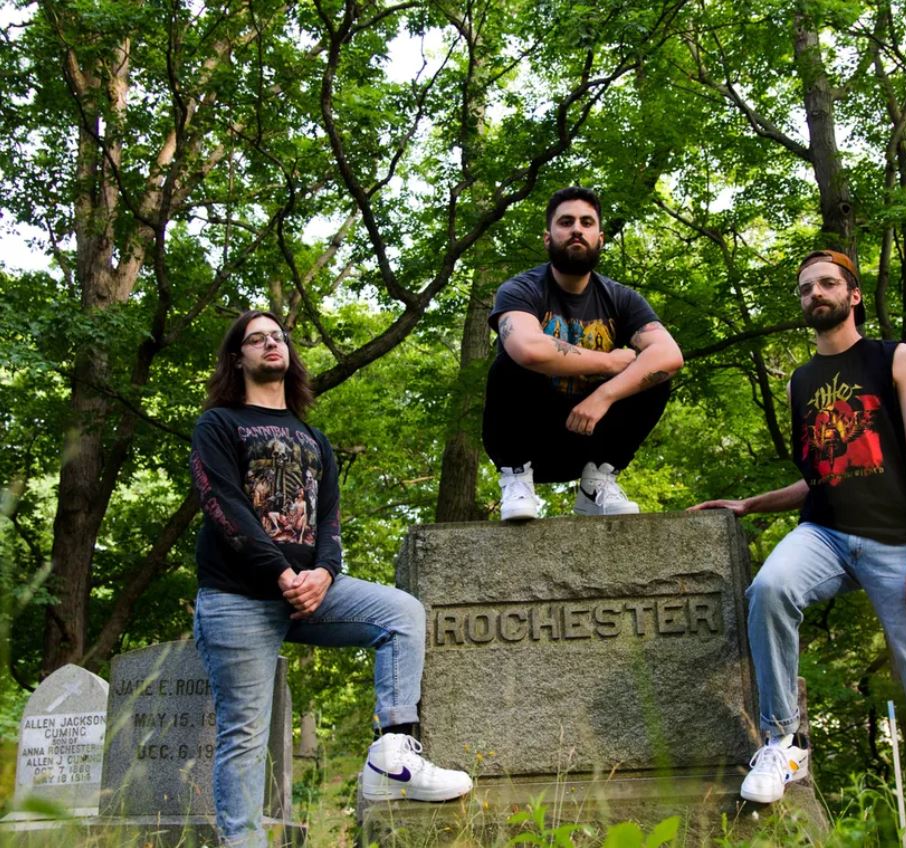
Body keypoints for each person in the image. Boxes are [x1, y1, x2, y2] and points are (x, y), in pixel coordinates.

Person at [691, 250, 906, 845]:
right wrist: (750, 504)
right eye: (806, 288)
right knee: (770, 589)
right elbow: (821, 476)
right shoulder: (801, 381)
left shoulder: (896, 358)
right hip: (824, 533)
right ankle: (783, 742)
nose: (815, 294)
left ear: (853, 295)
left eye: (827, 284)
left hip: (898, 542)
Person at [190, 310, 472, 847]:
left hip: (311, 591)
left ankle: (392, 758)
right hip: (237, 599)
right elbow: (223, 506)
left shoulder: (313, 437)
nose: (271, 343)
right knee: (245, 736)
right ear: (237, 358)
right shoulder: (219, 424)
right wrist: (282, 573)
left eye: (278, 336)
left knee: (402, 614)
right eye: (256, 339)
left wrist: (323, 572)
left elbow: (329, 521)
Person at [483, 186, 684, 520]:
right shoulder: (521, 289)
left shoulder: (622, 299)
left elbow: (669, 355)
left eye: (586, 222)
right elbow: (527, 348)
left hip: (592, 437)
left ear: (600, 238)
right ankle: (516, 478)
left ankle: (597, 484)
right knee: (509, 364)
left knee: (653, 373)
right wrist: (609, 361)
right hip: (531, 437)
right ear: (548, 237)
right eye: (566, 222)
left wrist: (604, 395)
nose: (577, 229)